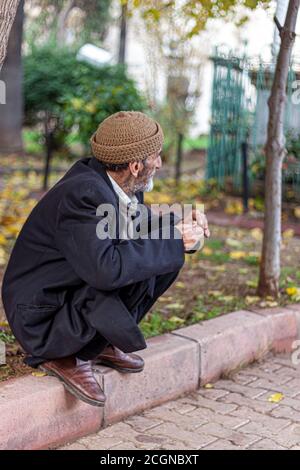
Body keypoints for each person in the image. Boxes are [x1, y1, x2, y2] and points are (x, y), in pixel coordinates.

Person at [1, 111, 209, 407]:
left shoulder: (120, 184)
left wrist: (181, 224)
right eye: (156, 156)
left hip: (68, 290)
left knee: (163, 257)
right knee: (150, 256)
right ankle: (65, 354)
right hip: (41, 315)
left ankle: (96, 342)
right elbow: (106, 270)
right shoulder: (83, 195)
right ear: (136, 165)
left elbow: (142, 226)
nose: (160, 163)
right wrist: (174, 241)